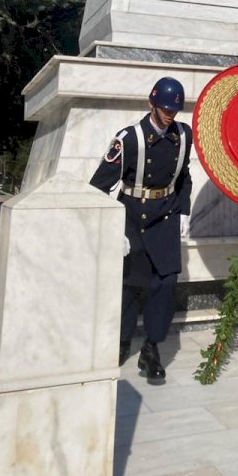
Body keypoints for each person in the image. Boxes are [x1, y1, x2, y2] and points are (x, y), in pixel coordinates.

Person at [90, 76, 193, 383]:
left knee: (167, 279)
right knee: (131, 283)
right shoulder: (129, 139)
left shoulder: (183, 136)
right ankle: (121, 341)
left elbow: (184, 177)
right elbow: (98, 186)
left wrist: (184, 210)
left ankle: (151, 348)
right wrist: (113, 225)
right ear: (152, 103)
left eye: (174, 109)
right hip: (131, 215)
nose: (169, 114)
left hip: (165, 215)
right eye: (164, 108)